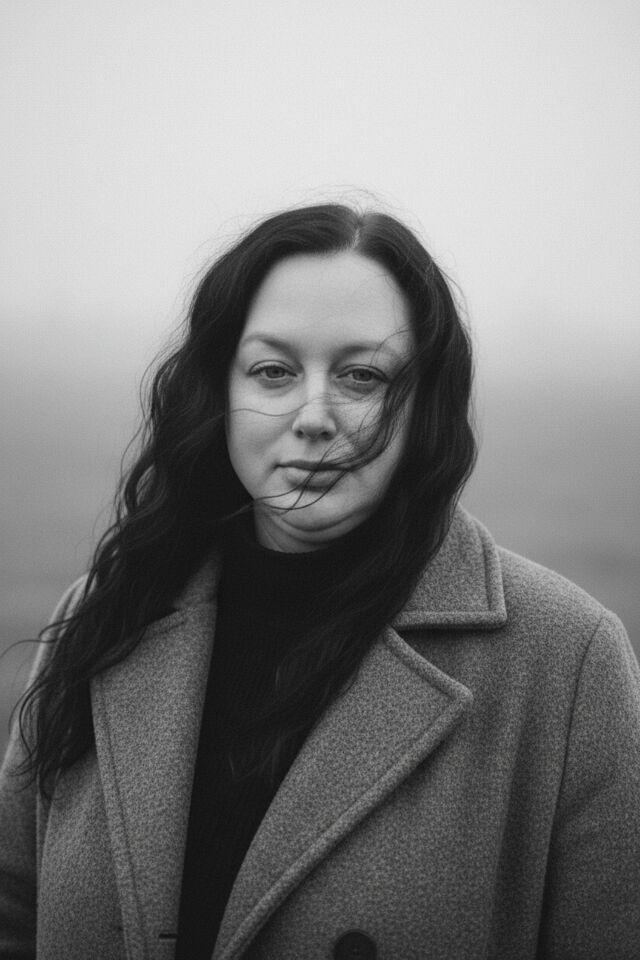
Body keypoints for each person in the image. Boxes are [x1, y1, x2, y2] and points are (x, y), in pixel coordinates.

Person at [0, 203, 639, 960]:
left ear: (425, 404)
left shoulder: (567, 660)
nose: (313, 416)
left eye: (362, 376)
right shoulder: (107, 614)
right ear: (217, 391)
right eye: (273, 371)